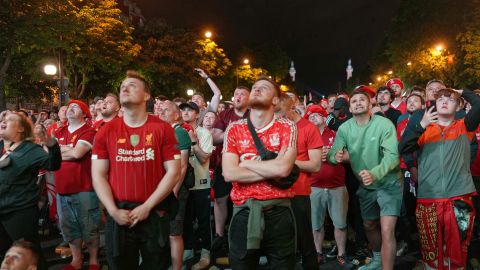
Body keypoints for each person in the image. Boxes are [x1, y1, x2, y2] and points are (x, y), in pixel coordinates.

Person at [92, 71, 180, 270]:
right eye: (122, 86)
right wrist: (113, 211)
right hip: (119, 214)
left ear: (146, 95)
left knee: (156, 264)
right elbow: (98, 174)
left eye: (132, 85)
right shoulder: (106, 131)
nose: (124, 88)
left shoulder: (163, 129)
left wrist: (147, 206)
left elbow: (173, 172)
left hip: (154, 213)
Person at [399, 88, 480, 270]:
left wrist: (463, 91)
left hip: (459, 198)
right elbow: (403, 147)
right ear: (434, 104)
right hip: (429, 197)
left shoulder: (464, 126)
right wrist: (421, 125)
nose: (444, 101)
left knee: (458, 250)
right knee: (431, 251)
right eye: (440, 98)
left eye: (450, 99)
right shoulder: (424, 129)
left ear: (459, 105)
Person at [222, 77, 298, 269]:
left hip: (278, 213)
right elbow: (229, 173)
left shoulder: (287, 126)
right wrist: (272, 166)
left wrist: (245, 162)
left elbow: (284, 169)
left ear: (274, 100)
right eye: (254, 88)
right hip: (244, 212)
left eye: (263, 88)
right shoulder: (234, 129)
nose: (256, 90)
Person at [327, 88, 402, 270]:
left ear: (370, 105)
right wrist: (334, 157)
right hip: (365, 186)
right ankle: (377, 259)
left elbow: (392, 157)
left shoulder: (383, 124)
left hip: (389, 183)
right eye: (354, 101)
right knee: (369, 225)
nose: (358, 103)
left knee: (386, 230)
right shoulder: (345, 128)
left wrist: (374, 173)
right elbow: (333, 153)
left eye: (362, 100)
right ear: (350, 108)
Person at [0, 112, 61, 270]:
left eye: (9, 120)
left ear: (20, 128)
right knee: (5, 257)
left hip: (20, 212)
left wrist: (51, 143)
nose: (3, 122)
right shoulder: (0, 146)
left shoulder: (30, 150)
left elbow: (53, 164)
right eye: (2, 120)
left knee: (29, 255)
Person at [275, 96, 323, 270]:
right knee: (281, 242)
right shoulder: (276, 128)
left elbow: (315, 165)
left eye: (280, 113)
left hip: (299, 191)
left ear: (292, 108)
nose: (277, 117)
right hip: (276, 192)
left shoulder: (309, 128)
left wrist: (286, 163)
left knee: (304, 240)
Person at [54, 100, 100, 270]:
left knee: (89, 227)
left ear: (84, 114)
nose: (70, 109)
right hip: (62, 188)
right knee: (69, 227)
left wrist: (61, 150)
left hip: (84, 188)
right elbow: (47, 153)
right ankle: (76, 260)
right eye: (69, 107)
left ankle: (94, 260)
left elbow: (77, 153)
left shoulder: (89, 131)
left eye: (75, 107)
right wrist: (69, 150)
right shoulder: (59, 131)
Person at [305, 105, 351, 268]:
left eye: (317, 115)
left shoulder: (336, 135)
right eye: (309, 116)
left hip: (336, 185)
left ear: (325, 118)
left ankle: (341, 254)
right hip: (313, 186)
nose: (312, 118)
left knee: (340, 223)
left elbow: (350, 155)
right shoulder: (306, 136)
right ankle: (318, 253)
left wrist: (333, 154)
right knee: (316, 224)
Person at [210, 86, 250, 255]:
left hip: (248, 166)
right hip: (224, 164)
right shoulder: (225, 115)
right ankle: (219, 236)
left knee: (246, 201)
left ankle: (246, 236)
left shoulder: (254, 114)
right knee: (221, 199)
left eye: (242, 94)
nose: (238, 97)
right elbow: (214, 136)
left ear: (249, 98)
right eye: (235, 94)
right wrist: (233, 130)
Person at [158, 100, 192, 270]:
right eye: (160, 109)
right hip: (159, 189)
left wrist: (173, 191)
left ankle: (177, 267)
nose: (162, 112)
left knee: (174, 232)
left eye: (166, 110)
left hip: (174, 189)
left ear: (177, 115)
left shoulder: (180, 133)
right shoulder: (160, 132)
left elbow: (183, 165)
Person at [180, 101, 213, 270]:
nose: (185, 112)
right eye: (183, 109)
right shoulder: (177, 132)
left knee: (203, 221)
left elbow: (204, 158)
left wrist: (194, 143)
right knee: (185, 220)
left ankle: (206, 252)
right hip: (182, 185)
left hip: (201, 184)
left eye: (189, 110)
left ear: (197, 115)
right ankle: (188, 249)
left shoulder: (204, 133)